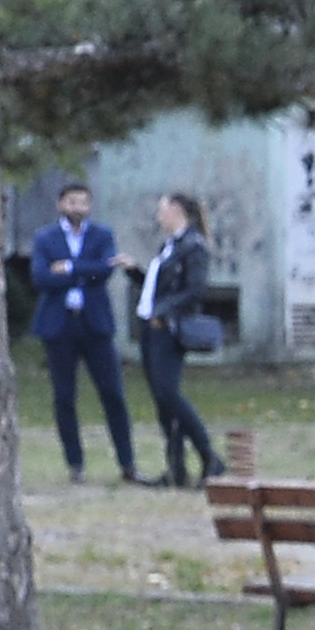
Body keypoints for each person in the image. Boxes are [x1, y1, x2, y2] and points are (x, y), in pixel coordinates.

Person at [29, 179, 137, 481]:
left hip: (94, 322)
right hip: (59, 324)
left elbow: (104, 270)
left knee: (113, 393)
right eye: (72, 202)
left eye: (83, 202)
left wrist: (70, 268)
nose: (78, 208)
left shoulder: (102, 235)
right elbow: (40, 278)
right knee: (64, 396)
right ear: (60, 205)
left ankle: (127, 462)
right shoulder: (45, 238)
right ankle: (74, 463)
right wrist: (83, 271)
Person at [133, 189, 223, 486]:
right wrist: (134, 273)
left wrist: (163, 311)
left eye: (163, 209)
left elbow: (195, 290)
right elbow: (160, 286)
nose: (159, 216)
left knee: (169, 394)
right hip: (152, 327)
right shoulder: (169, 245)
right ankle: (176, 469)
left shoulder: (193, 245)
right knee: (162, 401)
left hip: (169, 329)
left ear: (177, 210)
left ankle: (209, 456)